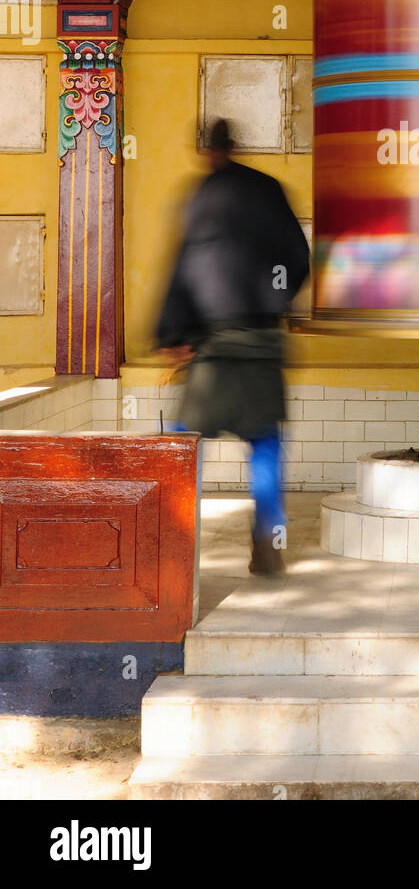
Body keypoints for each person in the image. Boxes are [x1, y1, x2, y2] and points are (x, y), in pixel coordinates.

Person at [155, 118, 309, 575]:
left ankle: (170, 541)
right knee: (264, 441)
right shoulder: (268, 189)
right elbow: (297, 258)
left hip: (216, 343)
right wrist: (276, 300)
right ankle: (266, 539)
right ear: (234, 146)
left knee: (183, 440)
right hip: (262, 338)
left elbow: (184, 268)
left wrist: (172, 334)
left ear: (205, 150)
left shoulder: (201, 196)